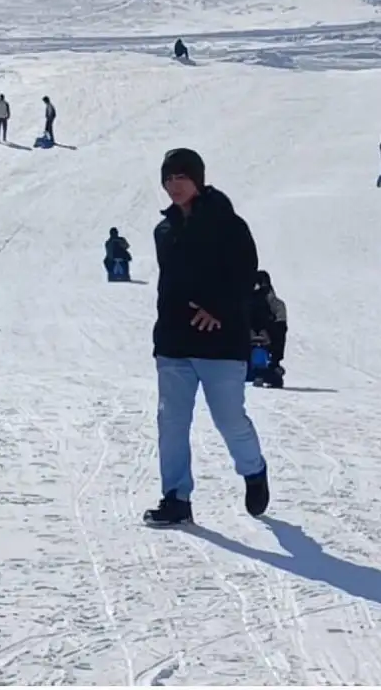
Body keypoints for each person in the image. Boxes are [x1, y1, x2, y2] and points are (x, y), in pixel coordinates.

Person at [143, 147, 269, 526]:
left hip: (221, 341)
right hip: (174, 343)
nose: (173, 186)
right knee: (172, 422)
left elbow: (246, 275)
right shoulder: (164, 231)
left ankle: (253, 470)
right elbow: (172, 285)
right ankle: (176, 497)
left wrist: (217, 308)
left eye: (181, 178)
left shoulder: (229, 224)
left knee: (229, 419)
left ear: (197, 178)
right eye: (168, 179)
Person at [249, 270, 288, 387]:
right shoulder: (249, 298)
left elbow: (280, 321)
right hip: (253, 333)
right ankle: (270, 368)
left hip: (264, 334)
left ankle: (270, 368)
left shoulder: (267, 299)